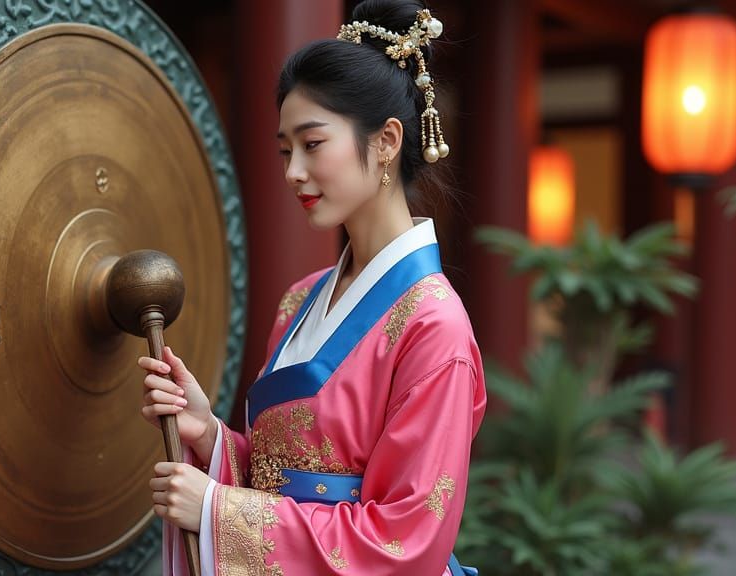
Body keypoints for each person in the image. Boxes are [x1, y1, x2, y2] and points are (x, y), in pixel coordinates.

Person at [138, 1, 486, 574]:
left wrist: (218, 510)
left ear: (387, 141)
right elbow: (288, 479)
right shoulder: (301, 299)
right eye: (285, 150)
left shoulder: (434, 325)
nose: (292, 171)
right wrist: (211, 437)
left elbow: (408, 541)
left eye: (313, 144)